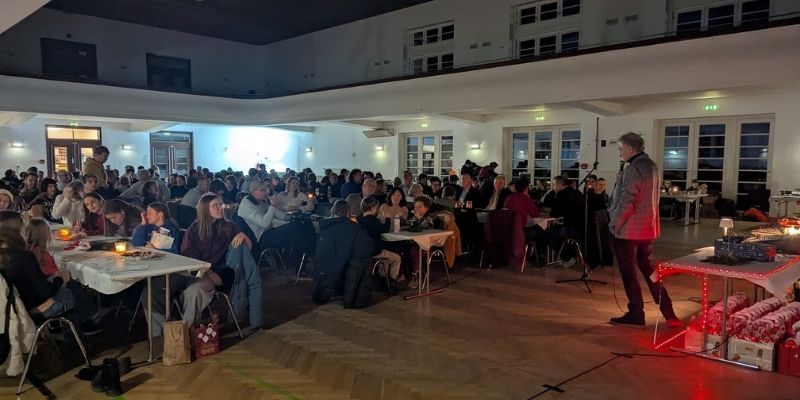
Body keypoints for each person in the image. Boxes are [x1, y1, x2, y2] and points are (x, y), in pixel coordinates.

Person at [608, 132, 679, 329]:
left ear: (630, 149)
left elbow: (627, 201)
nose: (619, 153)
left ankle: (636, 314)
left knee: (629, 272)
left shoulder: (633, 169)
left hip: (628, 230)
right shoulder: (652, 166)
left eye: (620, 149)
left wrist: (614, 223)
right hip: (647, 229)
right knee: (649, 270)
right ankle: (668, 312)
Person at [180, 194, 251, 327]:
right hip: (195, 270)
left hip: (220, 271)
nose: (220, 208)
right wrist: (209, 272)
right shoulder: (193, 230)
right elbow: (190, 257)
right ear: (205, 209)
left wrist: (242, 235)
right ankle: (167, 332)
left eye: (221, 205)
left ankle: (185, 330)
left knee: (194, 291)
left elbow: (249, 247)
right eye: (215, 206)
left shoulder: (228, 226)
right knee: (160, 288)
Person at [358, 197, 404, 283]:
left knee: (386, 255)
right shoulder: (373, 220)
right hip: (375, 252)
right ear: (373, 208)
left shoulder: (359, 220)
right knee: (396, 258)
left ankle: (383, 277)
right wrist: (387, 218)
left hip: (362, 251)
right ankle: (392, 279)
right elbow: (384, 229)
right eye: (377, 208)